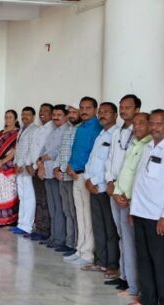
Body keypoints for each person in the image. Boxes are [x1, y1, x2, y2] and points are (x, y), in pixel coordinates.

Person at [128, 109, 164, 305]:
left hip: (159, 216)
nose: (155, 127)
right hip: (141, 212)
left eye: (159, 124)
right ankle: (148, 298)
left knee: (162, 262)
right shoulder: (147, 146)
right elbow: (139, 180)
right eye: (152, 123)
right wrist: (134, 209)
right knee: (144, 258)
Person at [113, 113, 152, 302]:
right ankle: (129, 282)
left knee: (134, 246)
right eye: (134, 124)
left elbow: (140, 178)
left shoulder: (148, 146)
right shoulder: (135, 144)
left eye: (141, 124)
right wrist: (117, 192)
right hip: (121, 199)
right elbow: (125, 172)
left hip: (132, 203)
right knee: (125, 242)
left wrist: (128, 198)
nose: (136, 127)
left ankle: (136, 287)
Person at [104, 95, 140, 292]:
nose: (124, 110)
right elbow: (110, 159)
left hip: (127, 195)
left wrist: (125, 192)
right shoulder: (117, 132)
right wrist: (110, 180)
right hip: (114, 189)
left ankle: (132, 281)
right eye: (122, 107)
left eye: (128, 107)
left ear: (137, 109)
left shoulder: (140, 134)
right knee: (121, 235)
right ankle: (124, 275)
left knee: (129, 237)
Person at [82, 102, 120, 274]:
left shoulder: (117, 135)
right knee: (98, 226)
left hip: (104, 188)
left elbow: (111, 163)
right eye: (101, 112)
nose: (103, 115)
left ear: (115, 115)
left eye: (107, 112)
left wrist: (95, 181)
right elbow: (92, 159)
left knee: (110, 228)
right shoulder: (101, 134)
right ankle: (100, 261)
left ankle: (112, 264)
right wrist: (87, 179)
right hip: (93, 187)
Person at [65, 97, 103, 266]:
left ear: (95, 109)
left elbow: (92, 155)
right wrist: (70, 166)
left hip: (87, 177)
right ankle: (80, 249)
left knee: (88, 217)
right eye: (82, 108)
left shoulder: (98, 129)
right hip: (76, 175)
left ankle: (87, 253)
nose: (85, 111)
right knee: (80, 214)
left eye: (88, 108)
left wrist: (77, 168)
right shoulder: (80, 128)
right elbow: (76, 151)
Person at [39, 105, 69, 249]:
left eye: (59, 115)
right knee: (52, 206)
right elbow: (44, 148)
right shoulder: (53, 130)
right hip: (47, 172)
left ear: (66, 116)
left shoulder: (67, 131)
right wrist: (41, 162)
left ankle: (60, 238)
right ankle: (53, 236)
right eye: (55, 114)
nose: (56, 117)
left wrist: (44, 157)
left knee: (59, 207)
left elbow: (59, 150)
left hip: (57, 173)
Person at [54, 106, 81, 256]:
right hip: (62, 175)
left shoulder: (80, 130)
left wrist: (66, 169)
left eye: (74, 112)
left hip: (72, 175)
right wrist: (57, 168)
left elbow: (75, 154)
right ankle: (69, 242)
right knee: (67, 211)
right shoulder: (68, 130)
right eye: (69, 113)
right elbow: (61, 151)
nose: (71, 115)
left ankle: (77, 244)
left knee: (75, 212)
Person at [0, 109, 20, 227]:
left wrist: (3, 161)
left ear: (15, 120)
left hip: (9, 166)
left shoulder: (18, 133)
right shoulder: (1, 133)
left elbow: (14, 151)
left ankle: (8, 219)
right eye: (6, 117)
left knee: (9, 192)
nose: (8, 119)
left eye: (10, 117)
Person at [11, 107, 38, 235]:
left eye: (28, 114)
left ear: (33, 117)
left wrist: (23, 164)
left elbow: (33, 149)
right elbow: (18, 149)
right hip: (19, 167)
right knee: (22, 196)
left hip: (27, 168)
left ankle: (27, 225)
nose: (25, 117)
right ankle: (21, 223)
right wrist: (16, 163)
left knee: (29, 197)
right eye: (23, 114)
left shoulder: (35, 130)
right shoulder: (21, 130)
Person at [32, 103, 55, 241]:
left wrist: (40, 165)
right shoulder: (41, 129)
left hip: (44, 169)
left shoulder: (51, 128)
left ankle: (45, 231)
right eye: (41, 111)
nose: (42, 113)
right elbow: (35, 149)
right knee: (39, 200)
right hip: (35, 167)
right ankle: (39, 228)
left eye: (46, 111)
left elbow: (47, 150)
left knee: (45, 201)